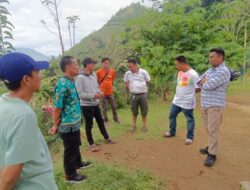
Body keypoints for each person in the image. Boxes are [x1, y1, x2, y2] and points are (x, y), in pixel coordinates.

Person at [0, 52, 58, 190]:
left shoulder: (3, 104)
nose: (41, 76)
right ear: (26, 79)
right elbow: (10, 175)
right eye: (37, 72)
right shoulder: (23, 115)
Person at [49, 56, 91, 183]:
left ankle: (78, 164)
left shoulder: (70, 80)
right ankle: (70, 175)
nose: (78, 67)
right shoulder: (62, 84)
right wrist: (55, 125)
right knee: (70, 150)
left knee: (76, 145)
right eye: (76, 64)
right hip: (67, 124)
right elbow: (57, 108)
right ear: (68, 67)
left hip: (74, 122)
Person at [75, 57, 116, 152]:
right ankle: (91, 144)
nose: (94, 65)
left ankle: (107, 138)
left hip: (95, 103)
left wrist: (99, 92)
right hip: (86, 106)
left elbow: (96, 87)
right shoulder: (80, 78)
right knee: (89, 125)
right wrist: (94, 95)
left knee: (101, 121)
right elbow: (79, 94)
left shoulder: (93, 75)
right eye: (93, 63)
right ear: (88, 64)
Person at [198, 48, 230, 167]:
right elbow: (199, 80)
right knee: (208, 129)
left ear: (220, 57)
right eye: (209, 57)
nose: (210, 59)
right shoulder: (211, 70)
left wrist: (205, 81)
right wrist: (204, 81)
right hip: (205, 104)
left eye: (212, 57)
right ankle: (211, 146)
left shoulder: (224, 71)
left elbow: (209, 85)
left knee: (213, 130)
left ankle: (212, 154)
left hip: (215, 106)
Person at [164, 56, 200, 145]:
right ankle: (172, 132)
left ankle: (189, 137)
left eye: (177, 65)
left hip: (187, 102)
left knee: (189, 119)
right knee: (171, 116)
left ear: (183, 64)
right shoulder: (180, 72)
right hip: (176, 100)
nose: (176, 67)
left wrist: (189, 95)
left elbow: (198, 88)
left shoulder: (193, 74)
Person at [124, 58, 151, 132]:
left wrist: (145, 90)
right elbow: (126, 83)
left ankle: (144, 126)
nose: (130, 68)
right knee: (134, 111)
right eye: (128, 67)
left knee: (144, 111)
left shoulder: (143, 72)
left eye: (131, 66)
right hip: (133, 95)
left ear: (136, 65)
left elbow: (148, 81)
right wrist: (127, 92)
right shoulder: (128, 73)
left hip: (143, 95)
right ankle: (134, 126)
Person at [96, 57, 120, 123]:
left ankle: (116, 119)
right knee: (104, 108)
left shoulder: (112, 71)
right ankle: (105, 120)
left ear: (109, 63)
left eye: (108, 62)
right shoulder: (98, 72)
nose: (106, 64)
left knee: (114, 106)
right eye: (105, 63)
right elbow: (96, 82)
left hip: (110, 92)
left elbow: (112, 80)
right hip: (102, 93)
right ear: (102, 63)